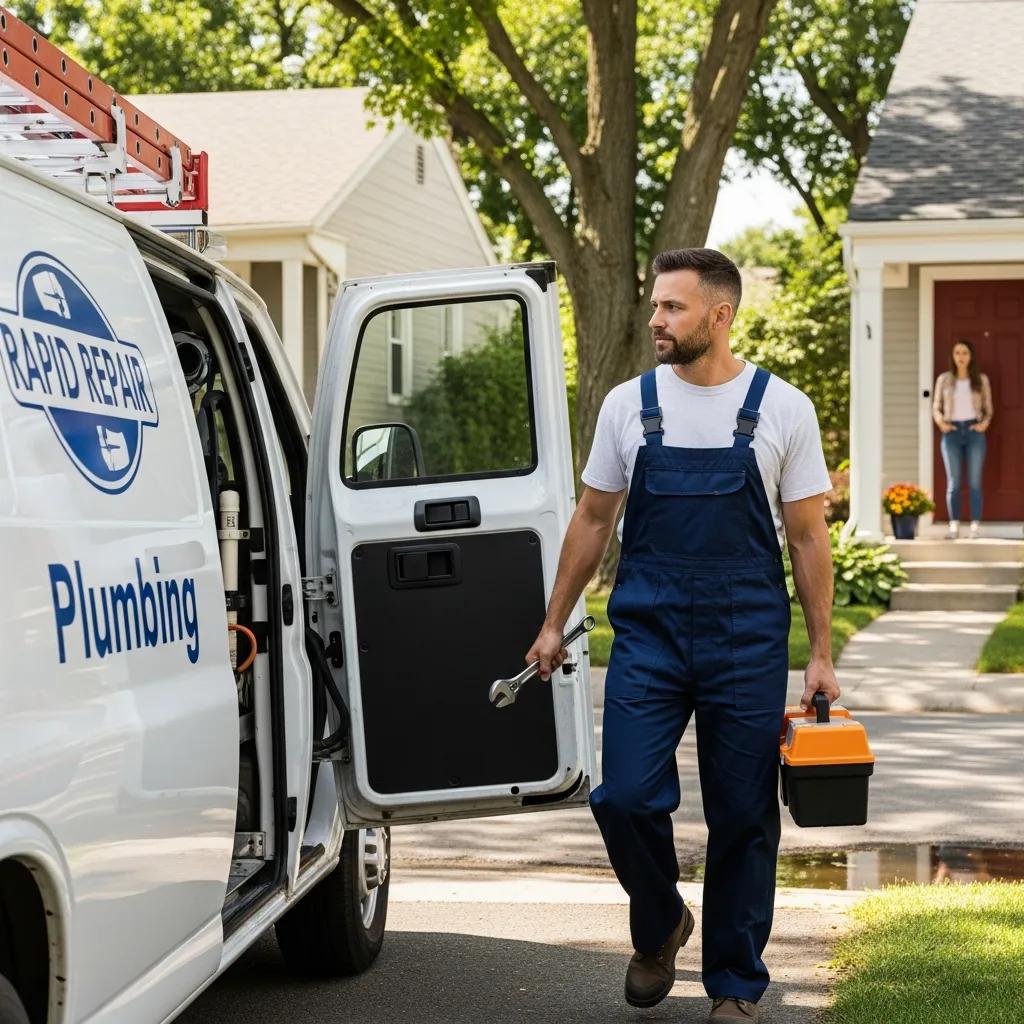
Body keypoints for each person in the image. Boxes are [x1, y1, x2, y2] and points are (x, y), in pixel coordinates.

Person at [526, 248, 837, 1023]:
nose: (656, 320)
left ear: (720, 316)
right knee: (624, 795)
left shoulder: (783, 408)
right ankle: (661, 920)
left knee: (741, 814)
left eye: (673, 308)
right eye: (656, 306)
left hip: (748, 638)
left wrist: (823, 655)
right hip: (651, 632)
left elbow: (806, 540)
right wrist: (552, 620)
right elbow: (594, 518)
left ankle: (735, 984)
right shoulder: (629, 406)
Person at [931, 340, 993, 539]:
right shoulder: (944, 380)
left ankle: (975, 526)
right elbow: (936, 406)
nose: (961, 356)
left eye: (965, 352)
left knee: (975, 482)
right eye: (957, 352)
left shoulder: (981, 380)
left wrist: (984, 424)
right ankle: (954, 525)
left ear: (970, 356)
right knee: (954, 482)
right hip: (952, 432)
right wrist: (942, 423)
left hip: (974, 432)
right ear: (953, 356)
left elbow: (988, 408)